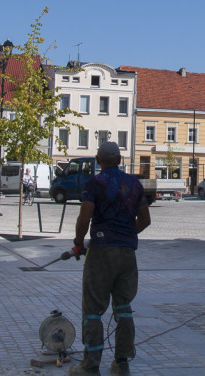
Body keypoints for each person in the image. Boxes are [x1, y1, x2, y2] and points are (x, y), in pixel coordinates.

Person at [69, 142, 151, 376]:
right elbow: (145, 220)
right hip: (127, 254)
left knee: (93, 308)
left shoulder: (94, 183)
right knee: (123, 308)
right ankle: (122, 364)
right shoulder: (134, 184)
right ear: (120, 160)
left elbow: (84, 219)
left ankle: (90, 365)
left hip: (102, 251)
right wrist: (126, 234)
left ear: (98, 160)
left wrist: (78, 242)